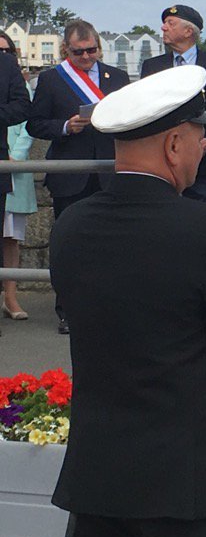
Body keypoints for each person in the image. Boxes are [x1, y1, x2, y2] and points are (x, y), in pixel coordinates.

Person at [50, 65, 206, 537]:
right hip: (190, 486)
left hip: (100, 483)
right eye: (199, 137)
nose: (202, 148)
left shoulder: (71, 225)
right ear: (174, 144)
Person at [27, 19, 129, 334]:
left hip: (111, 173)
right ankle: (68, 311)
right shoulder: (51, 80)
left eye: (91, 50)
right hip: (70, 173)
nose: (86, 57)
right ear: (65, 51)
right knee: (70, 244)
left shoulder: (118, 77)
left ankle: (110, 307)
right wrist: (65, 127)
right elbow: (36, 124)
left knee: (112, 245)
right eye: (79, 52)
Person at [140, 4, 206, 202]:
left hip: (201, 164)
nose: (163, 28)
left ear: (188, 31)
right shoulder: (153, 67)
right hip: (160, 162)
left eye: (170, 23)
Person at [1, 35, 34, 321]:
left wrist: (18, 156)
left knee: (9, 236)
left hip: (9, 164)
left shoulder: (10, 71)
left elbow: (25, 112)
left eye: (6, 49)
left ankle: (9, 297)